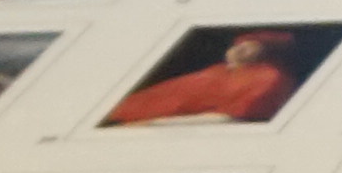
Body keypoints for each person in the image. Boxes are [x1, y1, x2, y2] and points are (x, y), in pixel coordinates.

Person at [111, 30, 315, 127]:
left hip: (153, 127)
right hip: (124, 116)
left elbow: (228, 119)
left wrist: (151, 125)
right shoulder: (222, 70)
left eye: (248, 46)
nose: (237, 50)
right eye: (238, 45)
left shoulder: (270, 78)